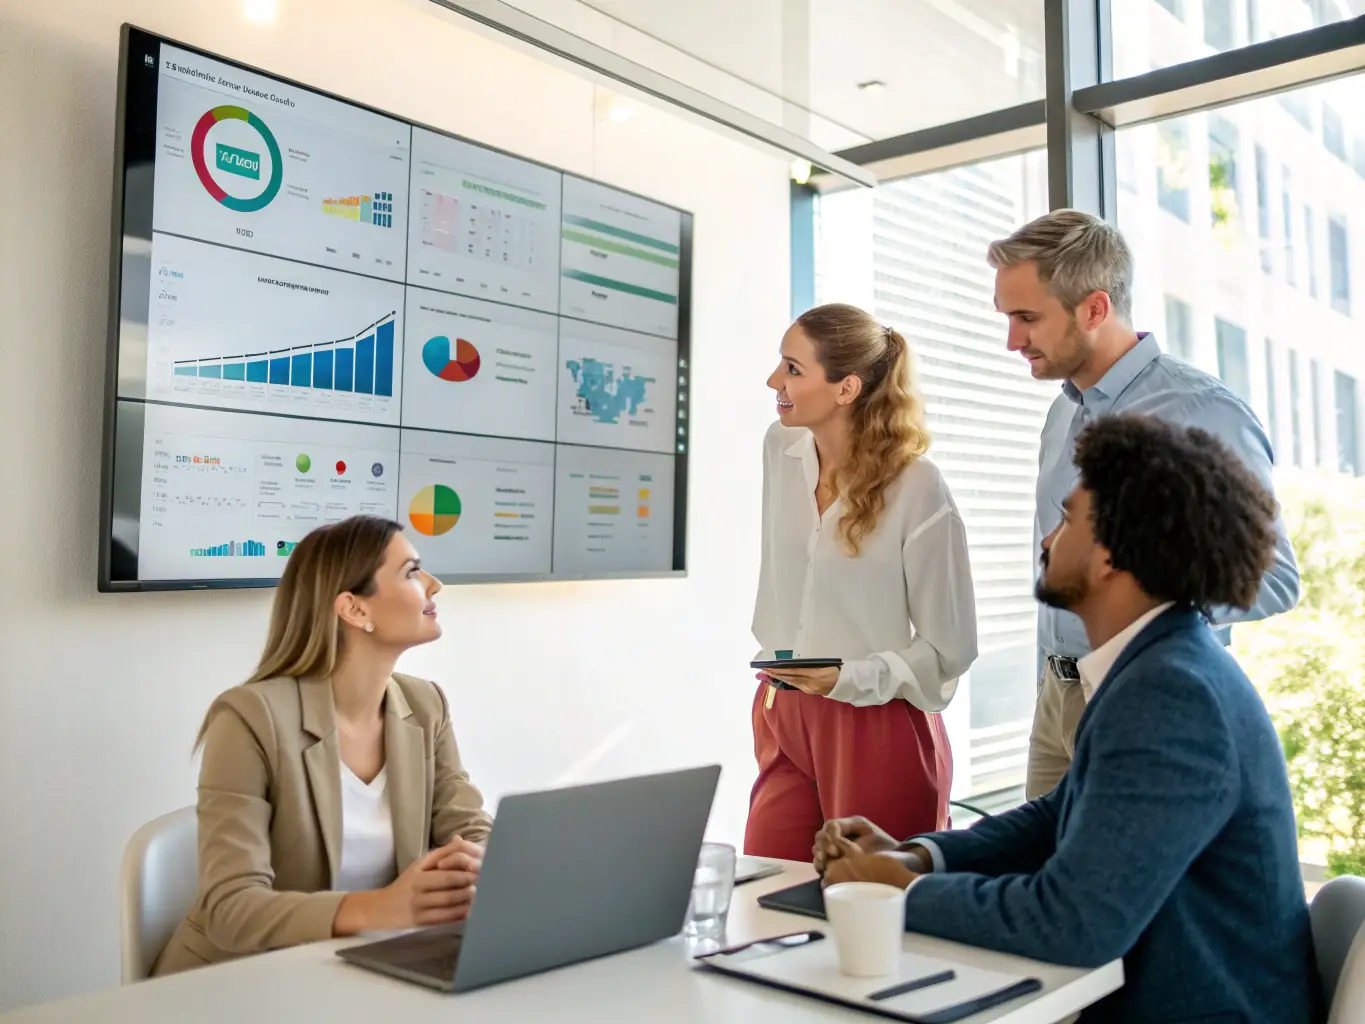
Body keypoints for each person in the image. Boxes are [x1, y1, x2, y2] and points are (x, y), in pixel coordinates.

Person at [814, 414, 1322, 1024]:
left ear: (1109, 555)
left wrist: (902, 891)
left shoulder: (1170, 694)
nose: (1047, 539)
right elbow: (1057, 818)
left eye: (1068, 518)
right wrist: (919, 857)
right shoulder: (1160, 664)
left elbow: (1073, 921)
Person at [988, 209, 1300, 798]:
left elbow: (1275, 577)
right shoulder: (1062, 413)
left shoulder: (1202, 412)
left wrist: (1144, 607)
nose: (1012, 340)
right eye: (1008, 317)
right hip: (1056, 699)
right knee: (1037, 872)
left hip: (1140, 695)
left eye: (1027, 318)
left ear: (1096, 309)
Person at [154, 516, 492, 975]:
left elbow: (470, 830)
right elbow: (229, 908)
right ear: (354, 610)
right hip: (236, 979)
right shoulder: (250, 718)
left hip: (360, 970)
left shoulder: (425, 704)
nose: (433, 585)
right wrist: (381, 908)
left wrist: (481, 861)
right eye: (411, 572)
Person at [745, 302, 979, 861]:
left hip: (877, 725)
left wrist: (850, 678)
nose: (774, 381)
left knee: (875, 915)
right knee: (764, 895)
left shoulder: (917, 487)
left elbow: (952, 647)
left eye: (793, 369)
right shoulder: (781, 449)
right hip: (785, 707)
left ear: (847, 388)